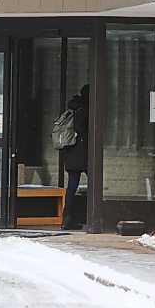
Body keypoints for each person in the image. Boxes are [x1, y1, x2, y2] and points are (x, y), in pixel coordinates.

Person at [61, 84, 89, 230]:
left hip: (71, 153)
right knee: (96, 187)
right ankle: (95, 217)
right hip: (82, 154)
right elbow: (81, 130)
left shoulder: (74, 109)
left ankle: (67, 219)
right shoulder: (84, 110)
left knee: (71, 186)